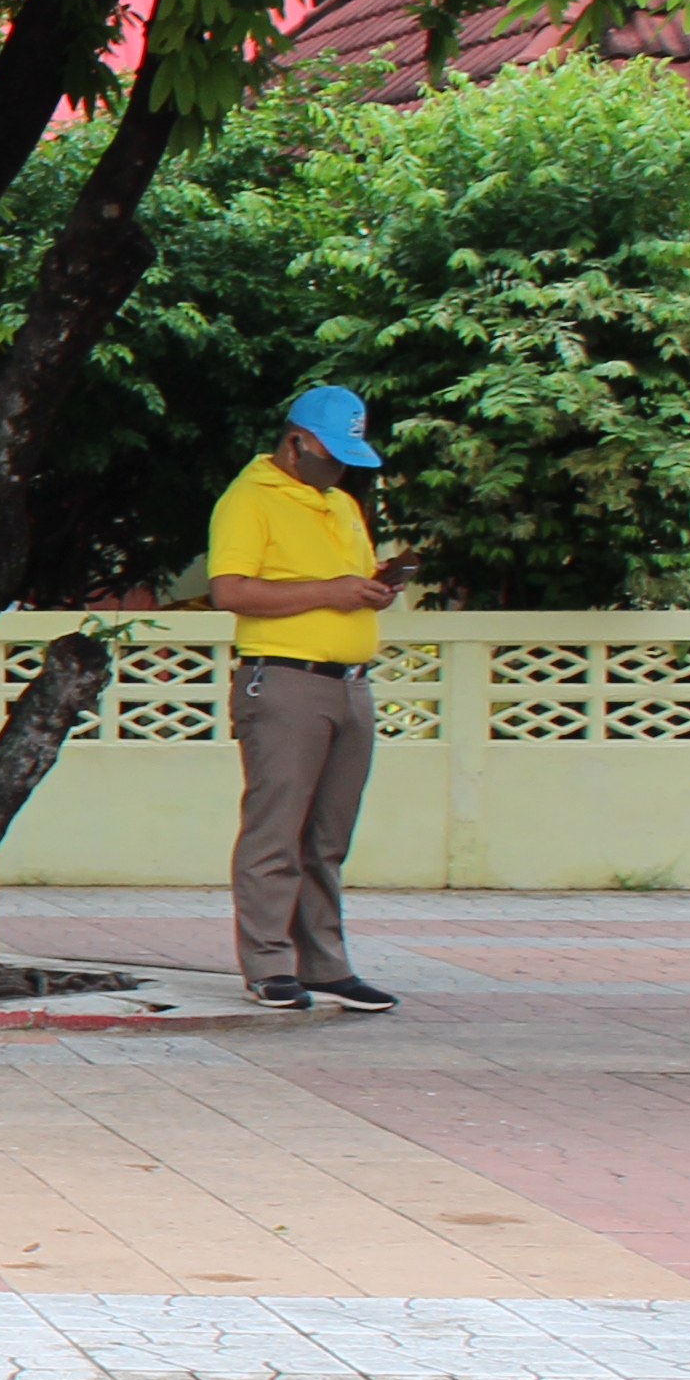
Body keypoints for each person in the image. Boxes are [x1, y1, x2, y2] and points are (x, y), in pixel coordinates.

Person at [203, 385, 409, 1014]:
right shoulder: (248, 500)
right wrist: (331, 592)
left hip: (350, 684)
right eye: (332, 453)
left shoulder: (341, 504)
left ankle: (325, 962)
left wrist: (373, 592)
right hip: (285, 683)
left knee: (328, 834)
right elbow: (229, 591)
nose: (340, 466)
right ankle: (267, 963)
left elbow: (347, 587)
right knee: (277, 829)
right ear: (296, 442)